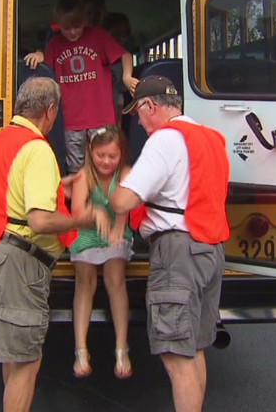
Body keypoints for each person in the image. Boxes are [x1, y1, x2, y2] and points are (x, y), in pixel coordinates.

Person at [0, 77, 104, 412]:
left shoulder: (1, 140)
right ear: (51, 110)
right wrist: (82, 218)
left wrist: (59, 186)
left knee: (14, 359)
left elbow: (10, 192)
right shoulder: (38, 149)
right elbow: (40, 220)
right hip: (17, 264)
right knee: (27, 363)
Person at [109, 75, 230, 412]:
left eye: (138, 113)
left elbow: (123, 201)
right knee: (195, 348)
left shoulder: (164, 140)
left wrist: (124, 178)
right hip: (209, 249)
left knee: (176, 356)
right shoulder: (211, 137)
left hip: (178, 253)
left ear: (151, 106)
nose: (138, 121)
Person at [31, 0, 138, 173]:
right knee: (76, 168)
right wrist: (40, 55)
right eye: (67, 28)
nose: (72, 32)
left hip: (101, 117)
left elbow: (125, 55)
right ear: (58, 25)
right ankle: (80, 201)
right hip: (71, 120)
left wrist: (127, 76)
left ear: (85, 22)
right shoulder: (55, 44)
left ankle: (103, 200)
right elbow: (46, 68)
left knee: (106, 164)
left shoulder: (98, 36)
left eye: (77, 26)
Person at [68, 126, 135, 380]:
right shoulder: (84, 176)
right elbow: (76, 214)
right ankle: (81, 350)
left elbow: (124, 209)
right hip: (87, 232)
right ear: (90, 153)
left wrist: (118, 227)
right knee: (84, 279)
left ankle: (121, 348)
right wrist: (94, 212)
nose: (106, 161)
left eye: (112, 156)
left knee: (115, 276)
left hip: (116, 231)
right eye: (100, 156)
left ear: (121, 156)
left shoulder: (126, 173)